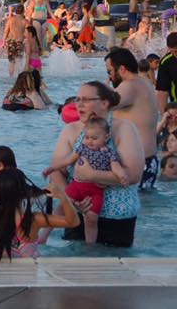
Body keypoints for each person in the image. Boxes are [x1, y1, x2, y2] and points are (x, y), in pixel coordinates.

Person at [47, 81, 143, 247]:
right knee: (75, 266)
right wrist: (70, 201)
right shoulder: (70, 130)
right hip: (78, 213)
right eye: (77, 100)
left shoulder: (124, 128)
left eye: (85, 99)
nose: (79, 104)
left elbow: (134, 175)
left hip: (116, 217)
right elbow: (56, 171)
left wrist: (92, 175)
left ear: (104, 103)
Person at [43, 117, 128, 244]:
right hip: (76, 186)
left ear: (106, 137)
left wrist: (122, 176)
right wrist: (51, 168)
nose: (90, 141)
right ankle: (44, 235)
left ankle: (90, 246)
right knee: (61, 208)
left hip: (95, 191)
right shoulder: (82, 148)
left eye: (94, 138)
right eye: (87, 137)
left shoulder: (109, 153)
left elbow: (115, 166)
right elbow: (67, 160)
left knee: (92, 218)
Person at [0, 169, 79, 261]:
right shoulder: (34, 220)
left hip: (1, 277)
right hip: (28, 278)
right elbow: (73, 222)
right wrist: (63, 197)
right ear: (23, 191)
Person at [105, 47, 161, 190]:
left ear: (122, 69)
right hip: (148, 160)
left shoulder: (130, 86)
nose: (110, 77)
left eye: (110, 71)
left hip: (136, 165)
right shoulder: (143, 83)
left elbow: (102, 105)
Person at [154, 32, 177, 114]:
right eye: (174, 52)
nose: (176, 55)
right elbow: (162, 92)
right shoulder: (166, 62)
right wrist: (164, 115)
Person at [3, 4, 27, 77]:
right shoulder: (25, 21)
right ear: (23, 11)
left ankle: (11, 77)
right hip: (20, 42)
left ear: (16, 11)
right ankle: (18, 78)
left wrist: (3, 41)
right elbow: (27, 34)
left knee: (11, 62)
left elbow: (6, 31)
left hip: (11, 42)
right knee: (19, 61)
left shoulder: (11, 19)